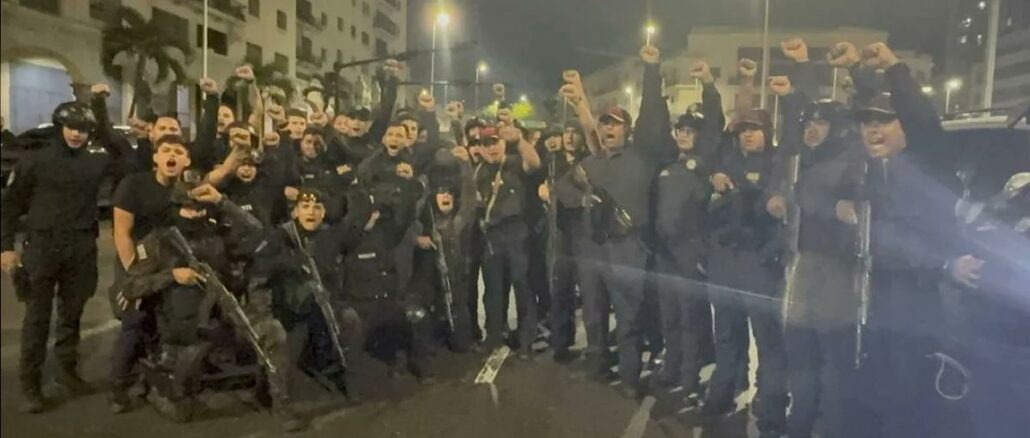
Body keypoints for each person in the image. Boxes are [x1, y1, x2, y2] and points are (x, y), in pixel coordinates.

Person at [839, 41, 973, 438]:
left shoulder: (927, 164)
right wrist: (858, 73)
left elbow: (922, 122)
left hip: (920, 303)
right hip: (879, 304)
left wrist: (894, 68)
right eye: (867, 124)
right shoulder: (874, 173)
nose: (872, 130)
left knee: (911, 404)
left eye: (885, 122)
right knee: (878, 398)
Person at [557, 44, 678, 399]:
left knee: (628, 318)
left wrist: (652, 70)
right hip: (592, 249)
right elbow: (562, 186)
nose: (609, 129)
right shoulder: (591, 163)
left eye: (615, 124)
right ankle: (597, 364)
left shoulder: (642, 157)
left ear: (627, 130)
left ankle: (629, 375)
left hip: (628, 249)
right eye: (605, 124)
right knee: (594, 315)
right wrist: (582, 198)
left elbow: (653, 117)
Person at [1, 97, 135, 413]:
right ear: (60, 127)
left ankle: (67, 372)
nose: (76, 134)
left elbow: (124, 156)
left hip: (81, 247)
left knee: (71, 315)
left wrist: (100, 110)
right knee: (37, 318)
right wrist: (6, 247)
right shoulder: (35, 161)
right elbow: (10, 206)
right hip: (42, 247)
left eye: (83, 129)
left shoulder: (95, 161)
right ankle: (31, 385)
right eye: (72, 128)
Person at [768, 37, 868, 438]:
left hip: (834, 273)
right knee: (801, 359)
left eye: (821, 123)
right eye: (808, 124)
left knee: (833, 366)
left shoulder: (850, 160)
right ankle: (800, 425)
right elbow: (796, 121)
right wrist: (776, 196)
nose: (811, 129)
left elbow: (851, 206)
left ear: (839, 128)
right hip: (800, 267)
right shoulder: (803, 161)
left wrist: (825, 205)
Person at [650, 60, 723, 412]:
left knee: (691, 317)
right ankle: (672, 367)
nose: (683, 135)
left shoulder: (705, 165)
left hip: (691, 253)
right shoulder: (668, 166)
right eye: (680, 129)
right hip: (665, 253)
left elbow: (716, 124)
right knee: (670, 315)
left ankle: (690, 376)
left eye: (690, 131)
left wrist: (708, 84)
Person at [107, 133, 194, 413]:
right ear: (156, 157)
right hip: (137, 262)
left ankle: (153, 379)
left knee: (167, 323)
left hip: (171, 264)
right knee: (134, 321)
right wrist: (134, 276)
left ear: (187, 161)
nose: (172, 155)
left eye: (179, 152)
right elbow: (122, 233)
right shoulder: (134, 185)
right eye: (166, 150)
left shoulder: (188, 190)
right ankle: (117, 387)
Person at [474, 124, 542, 357]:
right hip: (492, 236)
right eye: (486, 144)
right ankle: (494, 336)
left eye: (495, 142)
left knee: (522, 286)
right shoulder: (479, 171)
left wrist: (520, 140)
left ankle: (525, 341)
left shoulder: (514, 163)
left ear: (503, 144)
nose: (491, 147)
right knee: (493, 289)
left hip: (516, 233)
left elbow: (534, 163)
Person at [411, 149, 477, 351]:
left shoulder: (460, 221)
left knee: (458, 304)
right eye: (441, 193)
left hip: (456, 272)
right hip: (432, 274)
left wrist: (465, 164)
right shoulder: (428, 221)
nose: (445, 196)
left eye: (449, 194)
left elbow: (469, 197)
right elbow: (413, 214)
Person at [537, 122, 588, 364]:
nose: (569, 137)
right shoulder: (552, 162)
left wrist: (556, 191)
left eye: (574, 132)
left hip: (583, 233)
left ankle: (594, 347)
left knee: (589, 293)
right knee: (560, 290)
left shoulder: (587, 161)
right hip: (559, 233)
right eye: (565, 133)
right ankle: (561, 343)